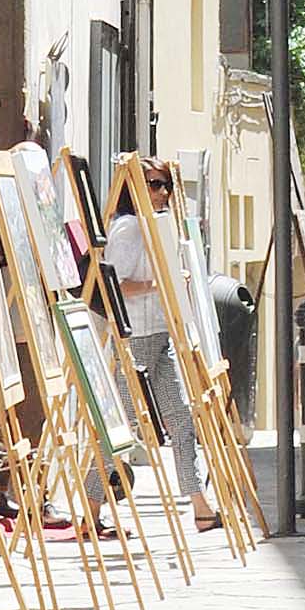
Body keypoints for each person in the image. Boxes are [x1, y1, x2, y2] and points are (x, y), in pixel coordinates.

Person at [102, 161, 221, 536]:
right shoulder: (127, 228)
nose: (163, 193)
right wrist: (161, 284)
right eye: (154, 185)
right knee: (121, 430)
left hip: (160, 336)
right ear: (134, 188)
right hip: (133, 339)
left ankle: (200, 507)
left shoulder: (158, 225)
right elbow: (113, 285)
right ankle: (91, 508)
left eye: (166, 185)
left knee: (182, 421)